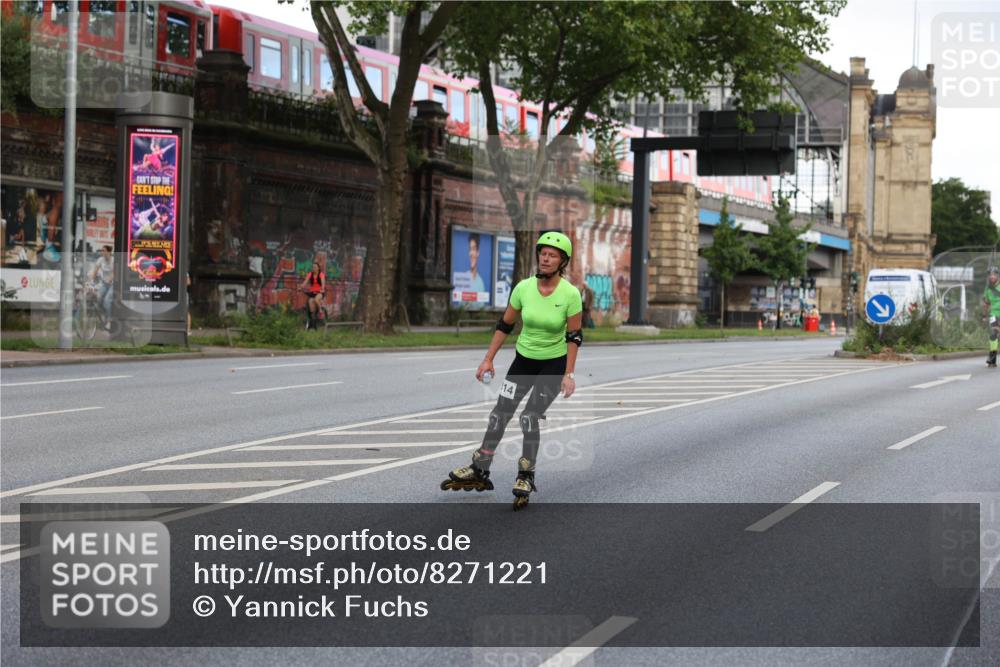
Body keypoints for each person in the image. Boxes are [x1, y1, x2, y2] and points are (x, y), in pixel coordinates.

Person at [442, 231, 583, 510]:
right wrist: (488, 359)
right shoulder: (523, 288)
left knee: (529, 417)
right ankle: (480, 467)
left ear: (563, 261)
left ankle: (525, 476)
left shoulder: (570, 294)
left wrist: (568, 374)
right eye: (543, 253)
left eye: (552, 255)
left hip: (553, 364)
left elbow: (574, 336)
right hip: (524, 361)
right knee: (500, 413)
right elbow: (505, 325)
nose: (545, 258)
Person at [89, 245, 115, 328]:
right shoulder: (100, 260)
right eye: (101, 250)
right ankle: (105, 315)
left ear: (109, 252)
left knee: (107, 301)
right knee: (98, 298)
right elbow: (95, 271)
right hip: (104, 284)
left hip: (113, 284)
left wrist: (110, 279)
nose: (102, 252)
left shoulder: (113, 260)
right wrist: (91, 282)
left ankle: (109, 321)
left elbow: (115, 273)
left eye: (104, 250)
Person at [300, 261, 326, 330]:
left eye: (315, 267)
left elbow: (323, 283)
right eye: (313, 267)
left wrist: (322, 288)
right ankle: (313, 325)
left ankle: (320, 311)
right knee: (312, 309)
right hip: (312, 292)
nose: (313, 268)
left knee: (316, 299)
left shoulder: (321, 274)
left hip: (320, 292)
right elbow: (305, 282)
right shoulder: (310, 274)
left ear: (318, 268)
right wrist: (301, 287)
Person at [984, 266, 1000, 368]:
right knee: (993, 334)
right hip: (994, 314)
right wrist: (984, 316)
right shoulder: (988, 288)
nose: (992, 276)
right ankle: (992, 358)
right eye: (990, 275)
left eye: (994, 274)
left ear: (998, 275)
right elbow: (986, 303)